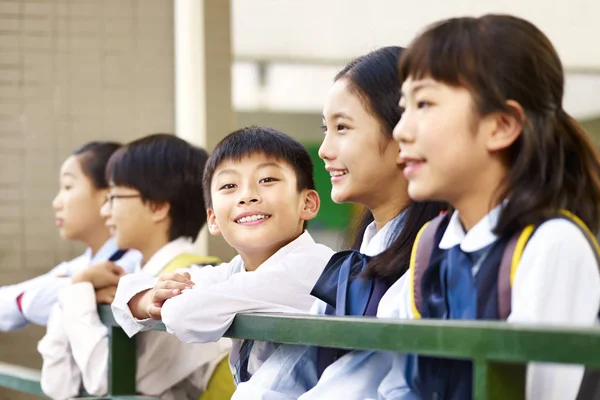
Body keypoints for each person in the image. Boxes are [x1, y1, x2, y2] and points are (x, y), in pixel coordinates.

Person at [381, 14, 600, 400]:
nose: (401, 129)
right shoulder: (431, 245)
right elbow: (399, 385)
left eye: (425, 103)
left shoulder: (551, 244)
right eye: (405, 106)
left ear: (501, 125)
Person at [233, 47, 445, 400]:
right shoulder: (352, 264)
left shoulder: (433, 261)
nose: (324, 150)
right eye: (325, 129)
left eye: (342, 128)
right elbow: (293, 371)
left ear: (404, 136)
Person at [112, 126, 335, 387]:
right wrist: (147, 298)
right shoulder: (235, 271)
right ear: (213, 219)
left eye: (267, 180)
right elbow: (128, 289)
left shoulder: (310, 266)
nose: (248, 196)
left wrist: (161, 299)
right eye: (229, 185)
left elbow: (184, 313)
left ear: (307, 204)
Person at [38, 134, 228, 400]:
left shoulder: (185, 284)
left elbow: (107, 382)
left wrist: (75, 293)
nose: (105, 212)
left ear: (158, 206)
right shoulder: (144, 278)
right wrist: (74, 291)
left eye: (114, 197)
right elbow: (58, 385)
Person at [0, 141, 139, 332]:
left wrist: (67, 289)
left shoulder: (130, 268)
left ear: (108, 195)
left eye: (67, 187)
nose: (56, 203)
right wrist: (80, 287)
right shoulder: (79, 267)